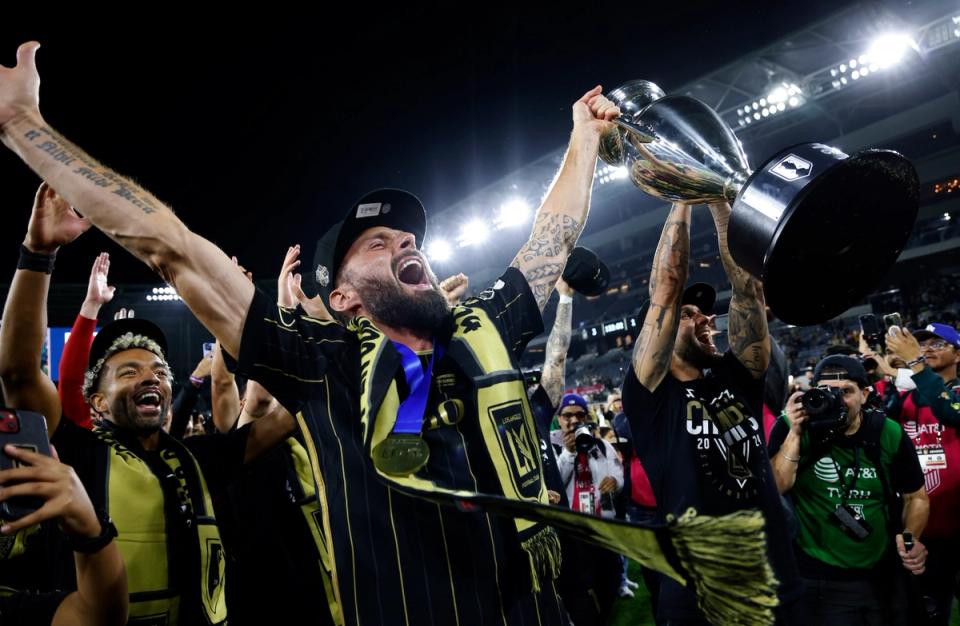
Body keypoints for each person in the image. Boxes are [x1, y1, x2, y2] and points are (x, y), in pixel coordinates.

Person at [0, 46, 616, 623]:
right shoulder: (322, 363)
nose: (405, 245)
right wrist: (24, 124)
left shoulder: (486, 327)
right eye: (378, 244)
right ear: (342, 298)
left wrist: (583, 139)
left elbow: (551, 239)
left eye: (409, 242)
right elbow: (173, 247)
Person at [621, 199, 803, 624]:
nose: (705, 318)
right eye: (688, 314)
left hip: (773, 578)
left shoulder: (735, 375)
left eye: (703, 311)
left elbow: (748, 288)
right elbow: (666, 287)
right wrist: (683, 197)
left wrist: (722, 203)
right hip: (699, 591)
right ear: (660, 336)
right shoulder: (650, 395)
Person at [769, 355, 928, 625]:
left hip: (881, 573)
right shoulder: (789, 427)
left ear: (865, 394)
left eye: (845, 392)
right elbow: (777, 486)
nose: (835, 399)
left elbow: (917, 497)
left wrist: (911, 537)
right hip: (817, 575)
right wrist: (795, 432)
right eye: (826, 391)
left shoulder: (887, 432)